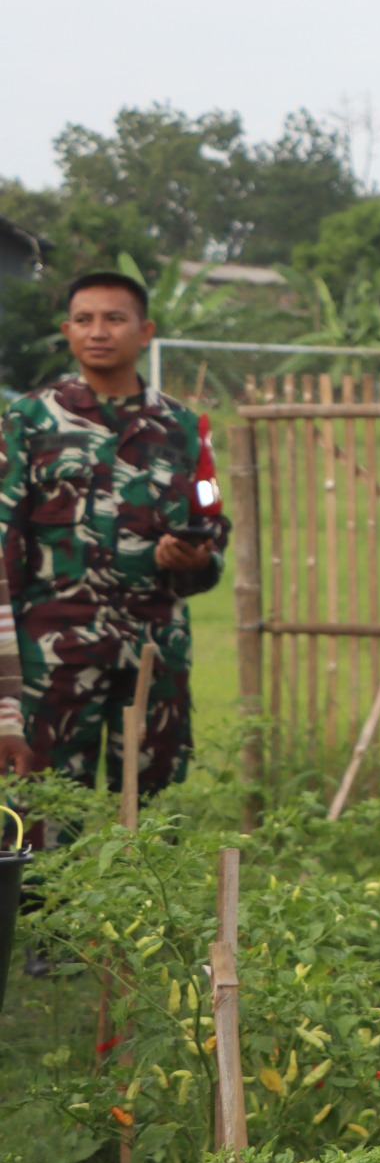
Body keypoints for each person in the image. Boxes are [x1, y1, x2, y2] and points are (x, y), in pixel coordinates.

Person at [0, 269, 226, 794]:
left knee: (152, 821)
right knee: (44, 817)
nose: (98, 331)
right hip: (54, 658)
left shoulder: (187, 429)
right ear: (68, 330)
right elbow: (4, 543)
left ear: (144, 331)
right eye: (84, 320)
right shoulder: (27, 421)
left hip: (154, 655)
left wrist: (197, 557)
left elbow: (211, 518)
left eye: (113, 319)